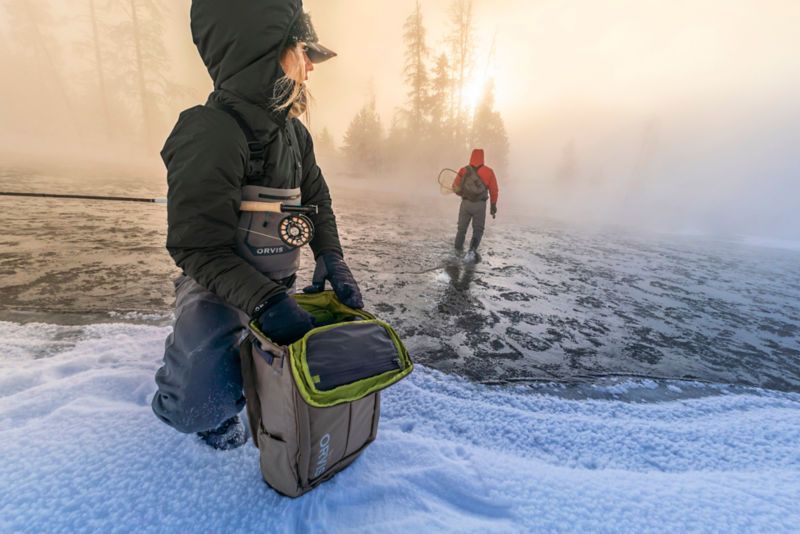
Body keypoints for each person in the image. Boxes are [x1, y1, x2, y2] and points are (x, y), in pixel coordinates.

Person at [151, 0, 362, 450]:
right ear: (265, 52)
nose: (311, 67)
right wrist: (266, 303)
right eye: (305, 52)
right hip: (217, 287)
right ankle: (191, 373)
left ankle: (246, 362)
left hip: (274, 287)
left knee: (277, 366)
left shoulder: (295, 134)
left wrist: (331, 256)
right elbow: (197, 249)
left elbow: (317, 198)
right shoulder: (212, 133)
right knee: (197, 406)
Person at [451, 148, 499, 263]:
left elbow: (455, 187)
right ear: (483, 157)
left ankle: (457, 253)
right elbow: (494, 190)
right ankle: (471, 252)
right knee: (478, 230)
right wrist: (493, 205)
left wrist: (463, 194)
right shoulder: (489, 171)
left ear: (471, 156)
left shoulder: (463, 170)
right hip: (480, 205)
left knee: (461, 229)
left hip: (466, 204)